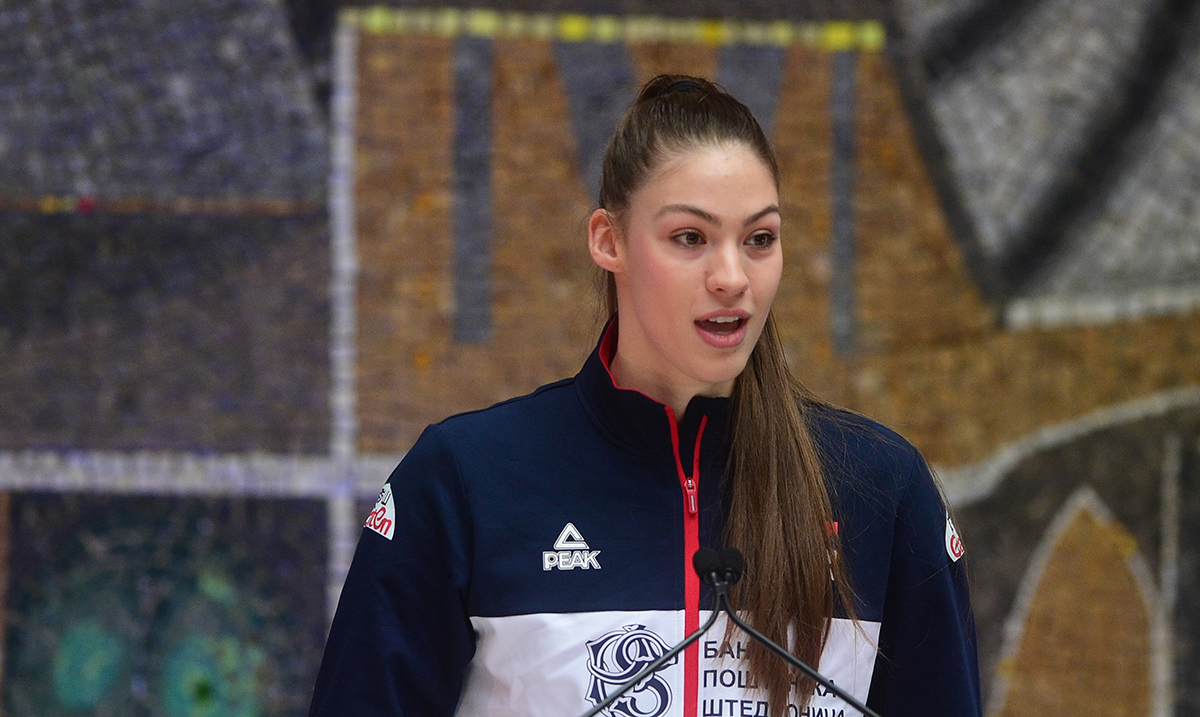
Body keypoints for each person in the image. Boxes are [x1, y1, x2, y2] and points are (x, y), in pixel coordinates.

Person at [309, 75, 981, 717]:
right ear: (609, 241)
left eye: (760, 239)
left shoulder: (881, 488)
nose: (731, 276)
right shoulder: (464, 479)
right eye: (690, 238)